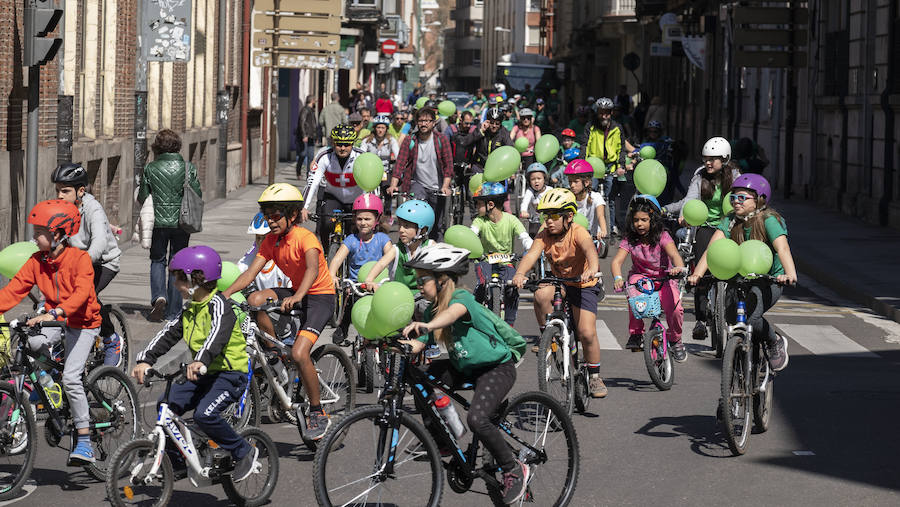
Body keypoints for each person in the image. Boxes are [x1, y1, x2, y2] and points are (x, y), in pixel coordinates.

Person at [398, 243, 529, 505]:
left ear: (442, 280)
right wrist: (399, 344)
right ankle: (442, 438)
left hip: (496, 368)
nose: (419, 286)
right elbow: (420, 343)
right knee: (417, 375)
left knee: (477, 419)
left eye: (423, 280)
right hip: (464, 368)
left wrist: (428, 325)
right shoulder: (431, 310)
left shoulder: (461, 299)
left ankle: (513, 468)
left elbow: (451, 315)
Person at [132, 246, 261, 482]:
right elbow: (168, 334)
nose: (175, 284)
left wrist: (200, 360)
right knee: (166, 406)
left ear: (196, 279)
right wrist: (145, 359)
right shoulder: (190, 308)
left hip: (230, 375)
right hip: (203, 374)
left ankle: (244, 451)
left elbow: (216, 338)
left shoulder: (220, 306)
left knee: (205, 415)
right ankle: (177, 462)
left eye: (179, 279)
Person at [222, 184, 336, 440]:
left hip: (320, 297)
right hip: (296, 292)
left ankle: (317, 411)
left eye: (275, 216)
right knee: (254, 299)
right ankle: (274, 352)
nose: (270, 221)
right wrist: (224, 295)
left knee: (299, 352)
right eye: (267, 216)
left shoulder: (306, 238)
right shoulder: (271, 241)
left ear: (292, 215)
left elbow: (312, 270)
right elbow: (250, 274)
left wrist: (298, 296)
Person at [0, 200, 102, 465]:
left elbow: (81, 294)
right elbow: (13, 291)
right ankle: (49, 385)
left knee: (71, 379)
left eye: (39, 232)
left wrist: (55, 312)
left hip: (83, 323)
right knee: (30, 344)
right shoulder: (37, 261)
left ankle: (84, 441)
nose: (34, 237)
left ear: (57, 234)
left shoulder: (80, 259)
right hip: (54, 321)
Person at [687, 174, 796, 371]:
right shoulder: (730, 220)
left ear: (759, 199)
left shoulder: (769, 220)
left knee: (752, 318)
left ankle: (774, 341)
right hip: (741, 276)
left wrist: (789, 274)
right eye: (733, 197)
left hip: (769, 279)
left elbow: (783, 248)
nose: (736, 202)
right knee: (732, 318)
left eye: (742, 197)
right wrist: (698, 275)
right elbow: (712, 249)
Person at [512, 188, 608, 398]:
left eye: (555, 216)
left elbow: (590, 251)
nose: (549, 221)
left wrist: (592, 268)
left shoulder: (578, 232)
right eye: (546, 216)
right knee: (540, 294)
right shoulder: (544, 235)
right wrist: (520, 273)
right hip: (560, 282)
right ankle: (548, 336)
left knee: (586, 333)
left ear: (569, 217)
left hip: (583, 284)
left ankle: (594, 376)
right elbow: (531, 255)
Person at [664, 136, 740, 341]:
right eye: (705, 158)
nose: (708, 162)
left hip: (729, 226)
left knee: (733, 273)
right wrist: (683, 215)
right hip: (706, 226)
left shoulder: (735, 176)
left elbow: (741, 200)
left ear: (724, 159)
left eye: (712, 159)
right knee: (701, 271)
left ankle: (730, 314)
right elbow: (690, 200)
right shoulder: (700, 176)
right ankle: (700, 320)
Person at [52, 162, 123, 365]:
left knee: (86, 294)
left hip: (104, 262)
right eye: (58, 190)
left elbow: (99, 243)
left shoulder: (93, 209)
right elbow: (47, 234)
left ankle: (111, 339)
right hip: (77, 261)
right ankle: (63, 341)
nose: (60, 196)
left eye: (65, 191)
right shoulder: (60, 209)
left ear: (81, 191)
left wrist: (80, 263)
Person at [610, 195, 686, 360]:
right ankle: (636, 334)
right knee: (633, 288)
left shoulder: (663, 236)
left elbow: (674, 255)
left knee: (676, 310)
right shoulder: (630, 239)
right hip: (642, 279)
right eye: (636, 220)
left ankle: (675, 339)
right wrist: (617, 278)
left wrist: (678, 268)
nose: (639, 224)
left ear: (653, 219)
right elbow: (616, 262)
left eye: (644, 220)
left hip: (665, 278)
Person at [138, 129, 202, 322]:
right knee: (178, 263)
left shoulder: (150, 168)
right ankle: (174, 311)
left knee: (157, 260)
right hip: (182, 222)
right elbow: (197, 194)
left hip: (157, 223)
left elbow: (143, 196)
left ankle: (159, 296)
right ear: (177, 146)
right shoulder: (188, 168)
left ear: (157, 147)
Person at [327, 193, 392, 343]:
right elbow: (337, 259)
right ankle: (343, 327)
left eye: (367, 219)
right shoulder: (351, 240)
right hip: (357, 285)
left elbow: (390, 255)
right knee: (349, 305)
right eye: (359, 219)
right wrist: (332, 274)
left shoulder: (382, 239)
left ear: (377, 219)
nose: (363, 223)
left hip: (377, 284)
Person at [470, 182, 533, 327]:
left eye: (479, 203)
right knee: (483, 285)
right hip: (485, 260)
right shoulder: (479, 221)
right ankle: (477, 317)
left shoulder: (511, 220)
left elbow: (525, 238)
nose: (476, 207)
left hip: (506, 262)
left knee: (512, 287)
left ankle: (509, 325)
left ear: (490, 204)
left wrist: (530, 248)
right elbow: (472, 234)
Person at [386, 107, 453, 241]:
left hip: (437, 188)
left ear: (433, 123)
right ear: (417, 122)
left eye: (427, 121)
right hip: (417, 185)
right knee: (415, 221)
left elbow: (448, 165)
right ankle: (411, 249)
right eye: (421, 121)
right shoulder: (410, 140)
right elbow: (400, 164)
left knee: (435, 226)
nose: (424, 124)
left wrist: (445, 186)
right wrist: (393, 185)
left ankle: (435, 251)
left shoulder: (441, 139)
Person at [303, 124, 365, 252]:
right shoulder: (324, 156)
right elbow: (312, 182)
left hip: (356, 199)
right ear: (333, 143)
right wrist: (304, 207)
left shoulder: (362, 157)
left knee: (357, 229)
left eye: (347, 144)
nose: (343, 148)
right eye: (339, 144)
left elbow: (370, 183)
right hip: (333, 197)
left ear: (352, 143)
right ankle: (327, 253)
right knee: (326, 224)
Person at [585, 97, 628, 235]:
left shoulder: (617, 127)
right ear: (597, 112)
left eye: (607, 112)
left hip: (611, 166)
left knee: (611, 199)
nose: (604, 116)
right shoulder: (590, 126)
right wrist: (583, 164)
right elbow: (585, 145)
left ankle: (611, 226)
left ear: (611, 113)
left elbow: (621, 148)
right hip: (594, 165)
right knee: (591, 195)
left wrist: (621, 165)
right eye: (601, 112)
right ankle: (588, 224)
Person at [237, 213, 292, 291]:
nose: (260, 242)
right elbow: (240, 268)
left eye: (265, 238)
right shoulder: (252, 257)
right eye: (258, 238)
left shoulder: (286, 258)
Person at [362, 114, 400, 223]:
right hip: (370, 171)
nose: (380, 130)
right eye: (378, 127)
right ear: (374, 128)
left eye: (383, 127)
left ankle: (387, 213)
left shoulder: (391, 140)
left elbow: (398, 155)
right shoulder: (367, 141)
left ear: (386, 129)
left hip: (385, 171)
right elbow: (361, 155)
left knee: (387, 189)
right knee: (367, 192)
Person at [457, 107, 513, 172]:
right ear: (487, 121)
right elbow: (465, 142)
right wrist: (481, 132)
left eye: (497, 123)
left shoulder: (504, 132)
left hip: (497, 167)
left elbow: (510, 148)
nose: (494, 126)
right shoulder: (480, 128)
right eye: (491, 123)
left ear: (500, 124)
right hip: (479, 166)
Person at [564, 159, 608, 242]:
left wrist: (603, 231)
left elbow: (601, 216)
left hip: (591, 238)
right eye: (570, 182)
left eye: (576, 182)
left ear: (586, 182)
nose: (572, 185)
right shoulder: (568, 199)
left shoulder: (596, 197)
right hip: (573, 238)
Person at [520, 162, 551, 237]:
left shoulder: (550, 190)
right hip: (535, 222)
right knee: (533, 237)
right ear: (529, 181)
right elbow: (525, 202)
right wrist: (523, 211)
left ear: (544, 179)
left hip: (548, 221)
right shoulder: (530, 191)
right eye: (533, 179)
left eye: (539, 178)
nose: (536, 181)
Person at [295, 95, 320, 179]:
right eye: (314, 100)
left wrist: (316, 137)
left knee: (311, 156)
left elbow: (314, 125)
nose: (315, 102)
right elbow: (302, 122)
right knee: (303, 154)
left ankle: (309, 174)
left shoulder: (312, 110)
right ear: (312, 101)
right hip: (306, 136)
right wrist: (304, 135)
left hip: (311, 136)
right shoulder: (305, 110)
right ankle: (298, 171)